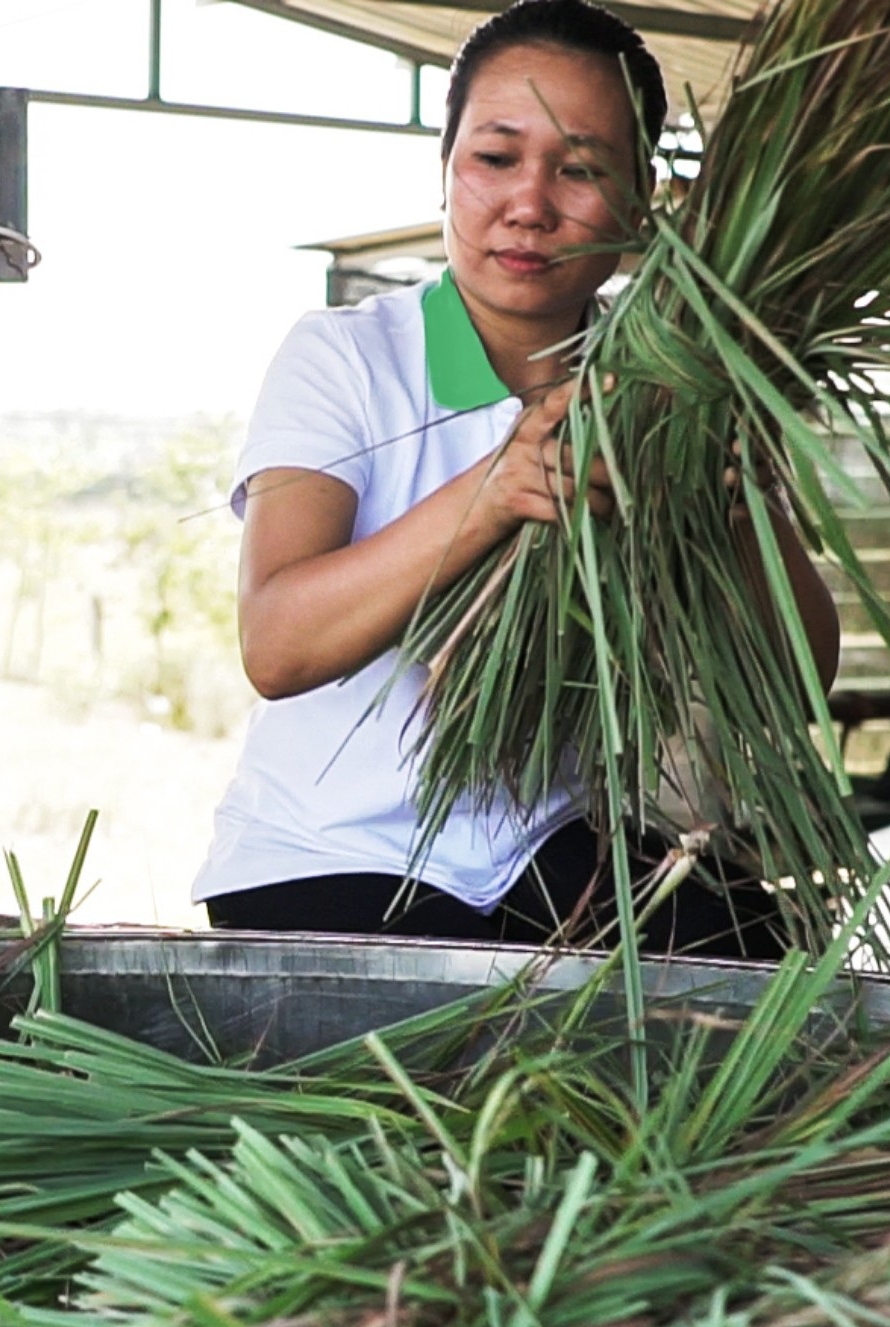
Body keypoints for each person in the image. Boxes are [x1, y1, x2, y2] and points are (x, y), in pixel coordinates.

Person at [194, 0, 840, 955]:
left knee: (763, 958)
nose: (531, 205)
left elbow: (792, 684)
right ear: (445, 168)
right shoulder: (349, 357)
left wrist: (736, 497)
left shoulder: (670, 386)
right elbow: (277, 646)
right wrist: (494, 492)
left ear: (641, 201)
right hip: (330, 856)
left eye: (580, 169)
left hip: (547, 852)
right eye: (496, 158)